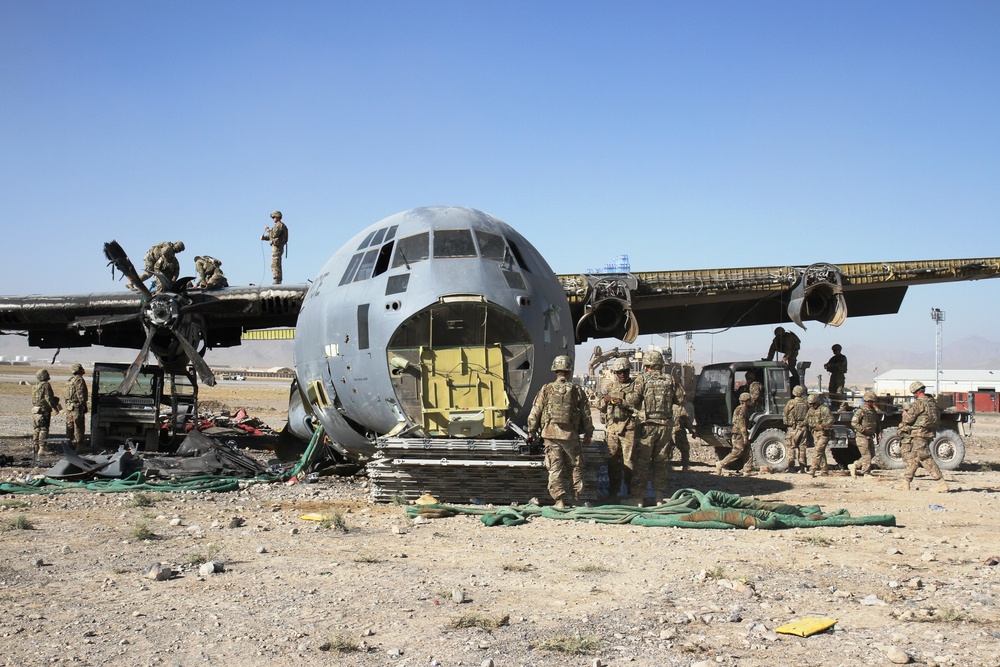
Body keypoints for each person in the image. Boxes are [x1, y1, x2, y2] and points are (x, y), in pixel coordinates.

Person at [527, 355, 594, 508]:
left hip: (550, 434)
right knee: (575, 467)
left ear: (555, 371)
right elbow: (586, 414)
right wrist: (588, 433)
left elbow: (535, 411)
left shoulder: (546, 388)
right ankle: (576, 500)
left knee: (555, 468)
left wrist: (531, 431)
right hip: (571, 435)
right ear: (569, 371)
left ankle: (559, 501)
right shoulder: (576, 390)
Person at [628, 349, 684, 505]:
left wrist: (626, 396)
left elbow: (633, 399)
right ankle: (659, 499)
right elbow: (680, 398)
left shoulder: (642, 379)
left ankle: (638, 499)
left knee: (642, 463)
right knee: (661, 462)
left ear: (647, 365)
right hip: (665, 427)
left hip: (647, 427)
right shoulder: (670, 380)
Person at [896, 381, 948, 492]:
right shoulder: (932, 402)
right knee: (916, 457)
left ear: (917, 392)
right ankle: (906, 482)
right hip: (929, 432)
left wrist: (905, 416)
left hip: (920, 433)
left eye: (914, 393)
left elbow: (909, 419)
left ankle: (941, 482)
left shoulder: (919, 403)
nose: (914, 395)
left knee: (924, 456)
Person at [599, 357, 639, 501]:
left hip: (628, 428)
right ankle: (613, 492)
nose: (622, 374)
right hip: (612, 429)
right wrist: (605, 400)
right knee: (613, 462)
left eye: (625, 371)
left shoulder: (635, 387)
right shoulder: (610, 386)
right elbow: (599, 404)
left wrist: (623, 402)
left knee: (629, 462)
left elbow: (638, 406)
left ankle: (631, 493)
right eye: (619, 372)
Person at [716, 392, 754, 476]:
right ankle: (721, 464)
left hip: (739, 433)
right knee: (738, 451)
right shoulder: (742, 409)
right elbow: (742, 424)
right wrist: (745, 436)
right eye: (749, 400)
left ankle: (747, 470)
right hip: (739, 434)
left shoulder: (739, 408)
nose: (750, 402)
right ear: (745, 401)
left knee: (748, 450)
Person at [31, 368, 61, 460]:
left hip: (36, 410)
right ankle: (42, 449)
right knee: (44, 429)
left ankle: (35, 447)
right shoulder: (46, 385)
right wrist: (56, 408)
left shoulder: (35, 386)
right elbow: (49, 399)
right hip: (44, 411)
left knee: (36, 429)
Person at [849, 390, 879, 477]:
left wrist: (878, 432)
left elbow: (877, 423)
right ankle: (866, 473)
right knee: (867, 456)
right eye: (872, 401)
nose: (873, 403)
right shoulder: (860, 411)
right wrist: (863, 430)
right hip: (862, 436)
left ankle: (854, 465)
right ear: (867, 401)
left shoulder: (873, 411)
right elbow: (854, 423)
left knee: (872, 454)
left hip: (870, 436)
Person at [783, 384, 810, 473]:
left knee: (791, 447)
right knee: (802, 448)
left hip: (793, 429)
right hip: (803, 428)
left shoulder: (791, 402)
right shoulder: (806, 403)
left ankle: (791, 468)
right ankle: (803, 467)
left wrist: (787, 423)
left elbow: (785, 414)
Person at [805, 393, 833, 476]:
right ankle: (824, 470)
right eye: (810, 404)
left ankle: (813, 468)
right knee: (821, 451)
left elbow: (831, 419)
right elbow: (806, 420)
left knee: (818, 450)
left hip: (823, 433)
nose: (812, 405)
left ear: (817, 402)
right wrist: (800, 425)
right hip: (815, 433)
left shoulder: (824, 409)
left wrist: (823, 425)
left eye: (814, 403)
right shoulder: (810, 410)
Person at [64, 363, 89, 453]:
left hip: (69, 406)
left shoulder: (70, 380)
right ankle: (79, 445)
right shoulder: (79, 380)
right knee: (79, 425)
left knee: (69, 425)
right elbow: (80, 394)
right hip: (76, 406)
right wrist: (83, 404)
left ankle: (69, 444)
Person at [262, 210, 289, 284]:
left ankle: (277, 279)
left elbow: (274, 234)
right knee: (276, 262)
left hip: (277, 247)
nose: (273, 219)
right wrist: (264, 238)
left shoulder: (279, 225)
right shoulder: (277, 225)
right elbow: (272, 236)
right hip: (276, 247)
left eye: (274, 217)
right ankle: (277, 279)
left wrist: (267, 230)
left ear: (277, 217)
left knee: (275, 263)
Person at [667, 402, 692, 471]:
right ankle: (685, 466)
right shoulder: (680, 408)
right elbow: (686, 420)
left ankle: (665, 466)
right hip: (678, 431)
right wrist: (691, 430)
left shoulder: (667, 406)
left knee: (667, 449)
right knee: (684, 449)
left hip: (668, 430)